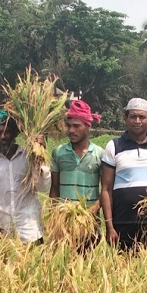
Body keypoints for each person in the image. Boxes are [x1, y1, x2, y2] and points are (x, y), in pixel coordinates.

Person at [99, 98, 147, 250]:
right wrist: (109, 227)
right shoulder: (114, 146)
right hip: (122, 223)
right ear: (126, 118)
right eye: (133, 116)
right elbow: (106, 189)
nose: (137, 121)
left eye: (142, 117)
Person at [0, 110, 50, 244]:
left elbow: (43, 187)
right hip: (3, 235)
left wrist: (40, 157)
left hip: (30, 232)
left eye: (7, 132)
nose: (3, 136)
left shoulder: (29, 157)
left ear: (14, 134)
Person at [49, 100, 103, 244]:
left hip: (89, 223)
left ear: (88, 126)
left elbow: (106, 190)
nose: (71, 130)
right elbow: (54, 188)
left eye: (76, 126)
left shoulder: (100, 154)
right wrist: (53, 216)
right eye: (69, 126)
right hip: (64, 224)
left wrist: (94, 208)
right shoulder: (58, 153)